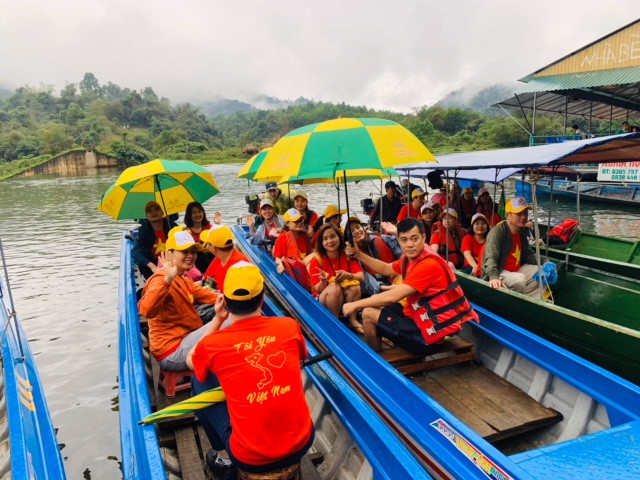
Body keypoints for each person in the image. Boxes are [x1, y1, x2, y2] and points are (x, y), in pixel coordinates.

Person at [187, 262, 314, 479]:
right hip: (302, 443)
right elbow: (302, 359)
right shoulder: (288, 326)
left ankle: (224, 459)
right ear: (263, 298)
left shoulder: (214, 344)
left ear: (225, 301)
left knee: (199, 381)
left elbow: (191, 360)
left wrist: (218, 319)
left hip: (250, 457)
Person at [342, 218, 479, 354]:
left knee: (368, 313)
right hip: (428, 323)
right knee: (382, 307)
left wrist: (355, 305)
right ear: (399, 240)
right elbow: (385, 268)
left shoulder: (428, 265)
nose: (410, 245)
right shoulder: (413, 256)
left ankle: (377, 359)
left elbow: (392, 297)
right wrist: (358, 255)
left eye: (414, 239)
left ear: (423, 237)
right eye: (404, 240)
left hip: (427, 338)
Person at [138, 227, 219, 371]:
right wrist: (167, 280)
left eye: (193, 251)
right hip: (172, 350)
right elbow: (146, 311)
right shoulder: (161, 279)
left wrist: (229, 298)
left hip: (184, 337)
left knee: (228, 309)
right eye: (185, 251)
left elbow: (205, 294)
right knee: (231, 319)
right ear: (170, 254)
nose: (190, 255)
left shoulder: (184, 279)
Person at [482, 197, 543, 299]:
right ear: (508, 215)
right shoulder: (497, 232)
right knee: (519, 280)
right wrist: (494, 277)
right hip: (500, 271)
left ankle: (532, 301)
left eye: (525, 214)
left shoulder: (522, 231)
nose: (523, 217)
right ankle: (517, 304)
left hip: (516, 270)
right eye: (519, 214)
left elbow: (528, 254)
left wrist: (544, 262)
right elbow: (490, 257)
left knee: (542, 273)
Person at [309, 224, 365, 333]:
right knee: (334, 287)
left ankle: (352, 320)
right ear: (321, 242)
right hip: (324, 298)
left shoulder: (347, 254)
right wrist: (323, 281)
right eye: (325, 239)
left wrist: (348, 275)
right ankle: (335, 322)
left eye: (333, 236)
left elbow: (361, 277)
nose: (330, 241)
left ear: (339, 237)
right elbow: (317, 290)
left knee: (355, 286)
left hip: (344, 296)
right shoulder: (317, 259)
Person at [347, 218, 401, 295]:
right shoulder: (352, 256)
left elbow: (404, 255)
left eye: (358, 227)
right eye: (351, 231)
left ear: (363, 228)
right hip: (379, 290)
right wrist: (386, 288)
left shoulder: (383, 238)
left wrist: (397, 234)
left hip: (397, 278)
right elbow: (365, 279)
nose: (356, 231)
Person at [132, 201, 178, 280]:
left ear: (162, 212)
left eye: (157, 209)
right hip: (152, 265)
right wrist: (152, 266)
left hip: (172, 263)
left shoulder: (172, 226)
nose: (154, 213)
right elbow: (135, 252)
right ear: (147, 215)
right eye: (150, 211)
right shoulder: (143, 230)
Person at [201, 226, 249, 291]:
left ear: (213, 247)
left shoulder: (239, 266)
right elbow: (205, 280)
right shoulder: (220, 258)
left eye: (208, 244)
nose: (207, 247)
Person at [183, 201, 216, 273]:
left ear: (203, 213)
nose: (197, 215)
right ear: (189, 215)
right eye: (194, 213)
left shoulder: (210, 228)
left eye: (199, 212)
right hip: (195, 266)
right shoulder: (186, 232)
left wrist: (217, 224)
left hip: (212, 262)